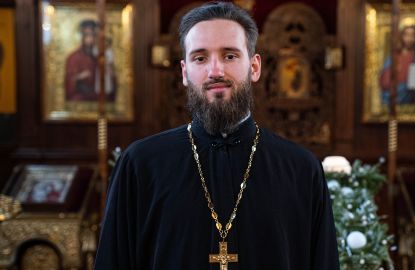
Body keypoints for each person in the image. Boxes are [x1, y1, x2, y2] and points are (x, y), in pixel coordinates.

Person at [94, 2, 339, 270]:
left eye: (230, 56)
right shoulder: (141, 164)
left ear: (254, 67)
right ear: (185, 72)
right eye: (200, 58)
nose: (215, 71)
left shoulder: (301, 168)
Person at [380, 25, 415, 104]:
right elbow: (384, 82)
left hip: (413, 99)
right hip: (395, 98)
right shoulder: (393, 57)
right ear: (401, 36)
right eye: (407, 35)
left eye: (413, 35)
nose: (409, 39)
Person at [64, 20, 116, 102]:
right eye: (87, 35)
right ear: (81, 36)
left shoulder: (101, 55)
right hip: (81, 96)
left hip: (99, 96)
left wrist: (109, 72)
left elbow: (111, 80)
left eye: (93, 35)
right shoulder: (73, 57)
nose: (90, 39)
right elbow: (69, 83)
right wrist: (80, 76)